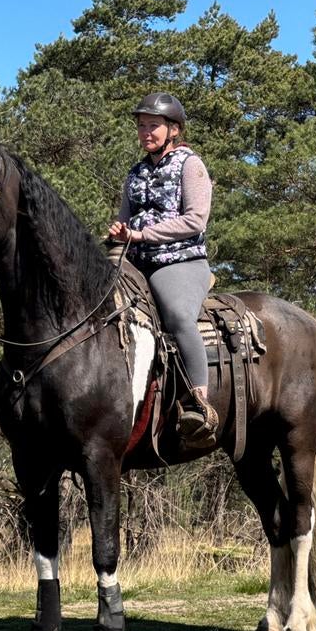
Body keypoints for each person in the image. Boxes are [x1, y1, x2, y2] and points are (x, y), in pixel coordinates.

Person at [109, 92, 217, 445]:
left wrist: (142, 234)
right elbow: (126, 220)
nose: (145, 132)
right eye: (141, 126)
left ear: (173, 129)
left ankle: (200, 403)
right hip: (135, 260)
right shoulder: (135, 173)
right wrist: (120, 232)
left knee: (177, 314)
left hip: (180, 260)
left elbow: (196, 220)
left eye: (152, 126)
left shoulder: (190, 165)